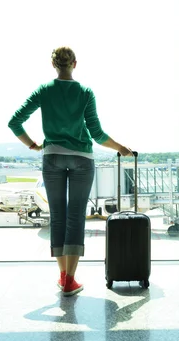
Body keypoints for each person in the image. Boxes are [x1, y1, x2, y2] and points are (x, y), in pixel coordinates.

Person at [8, 46, 133, 296]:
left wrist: (33, 145)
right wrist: (121, 148)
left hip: (52, 156)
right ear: (75, 64)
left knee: (57, 216)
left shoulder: (44, 90)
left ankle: (63, 275)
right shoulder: (85, 92)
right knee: (75, 216)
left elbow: (15, 122)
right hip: (82, 159)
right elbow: (96, 134)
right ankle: (70, 280)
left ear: (53, 65)